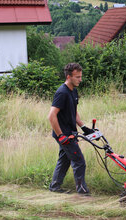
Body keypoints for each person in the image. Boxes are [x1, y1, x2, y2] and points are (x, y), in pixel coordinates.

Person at [48, 63, 93, 195]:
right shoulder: (62, 93)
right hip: (64, 135)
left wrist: (84, 127)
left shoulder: (73, 91)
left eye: (80, 76)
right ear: (69, 77)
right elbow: (51, 116)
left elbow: (74, 112)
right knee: (79, 161)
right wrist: (61, 135)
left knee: (64, 159)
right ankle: (82, 192)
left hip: (70, 132)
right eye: (77, 77)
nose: (80, 79)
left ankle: (55, 187)